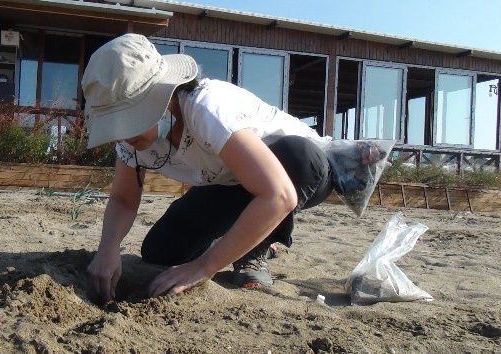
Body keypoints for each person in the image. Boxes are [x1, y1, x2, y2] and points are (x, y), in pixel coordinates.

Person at [82, 33, 335, 303]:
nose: (121, 136)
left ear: (161, 97)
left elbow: (279, 195)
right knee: (161, 251)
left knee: (298, 157)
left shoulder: (207, 108)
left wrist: (204, 267)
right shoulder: (130, 142)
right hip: (230, 183)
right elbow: (123, 199)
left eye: (127, 121)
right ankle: (242, 237)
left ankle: (257, 247)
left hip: (302, 170)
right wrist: (108, 248)